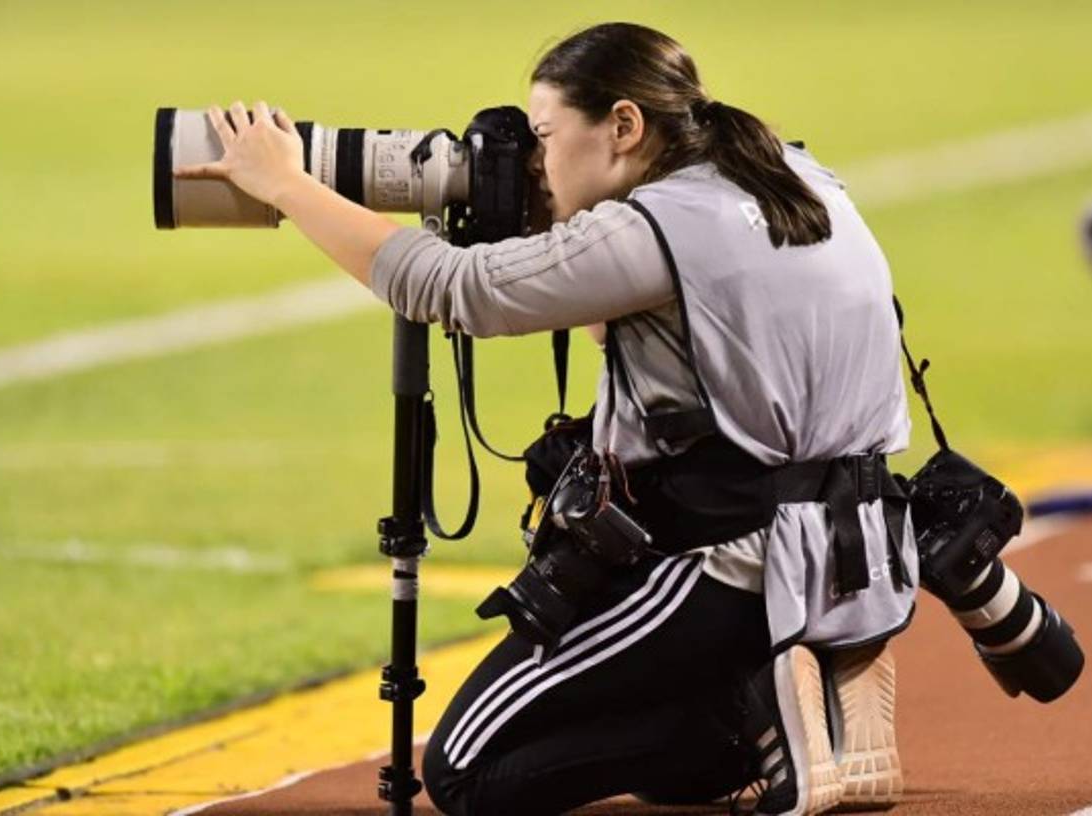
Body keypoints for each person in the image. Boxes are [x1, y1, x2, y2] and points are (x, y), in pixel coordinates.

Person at [175, 22, 917, 816]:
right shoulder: (797, 177)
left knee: (467, 776)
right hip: (853, 545)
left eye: (544, 136)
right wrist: (549, 218)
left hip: (730, 560)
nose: (533, 162)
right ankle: (778, 697)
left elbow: (453, 291)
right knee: (670, 780)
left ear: (624, 127)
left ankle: (754, 710)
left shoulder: (657, 226)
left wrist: (285, 183)